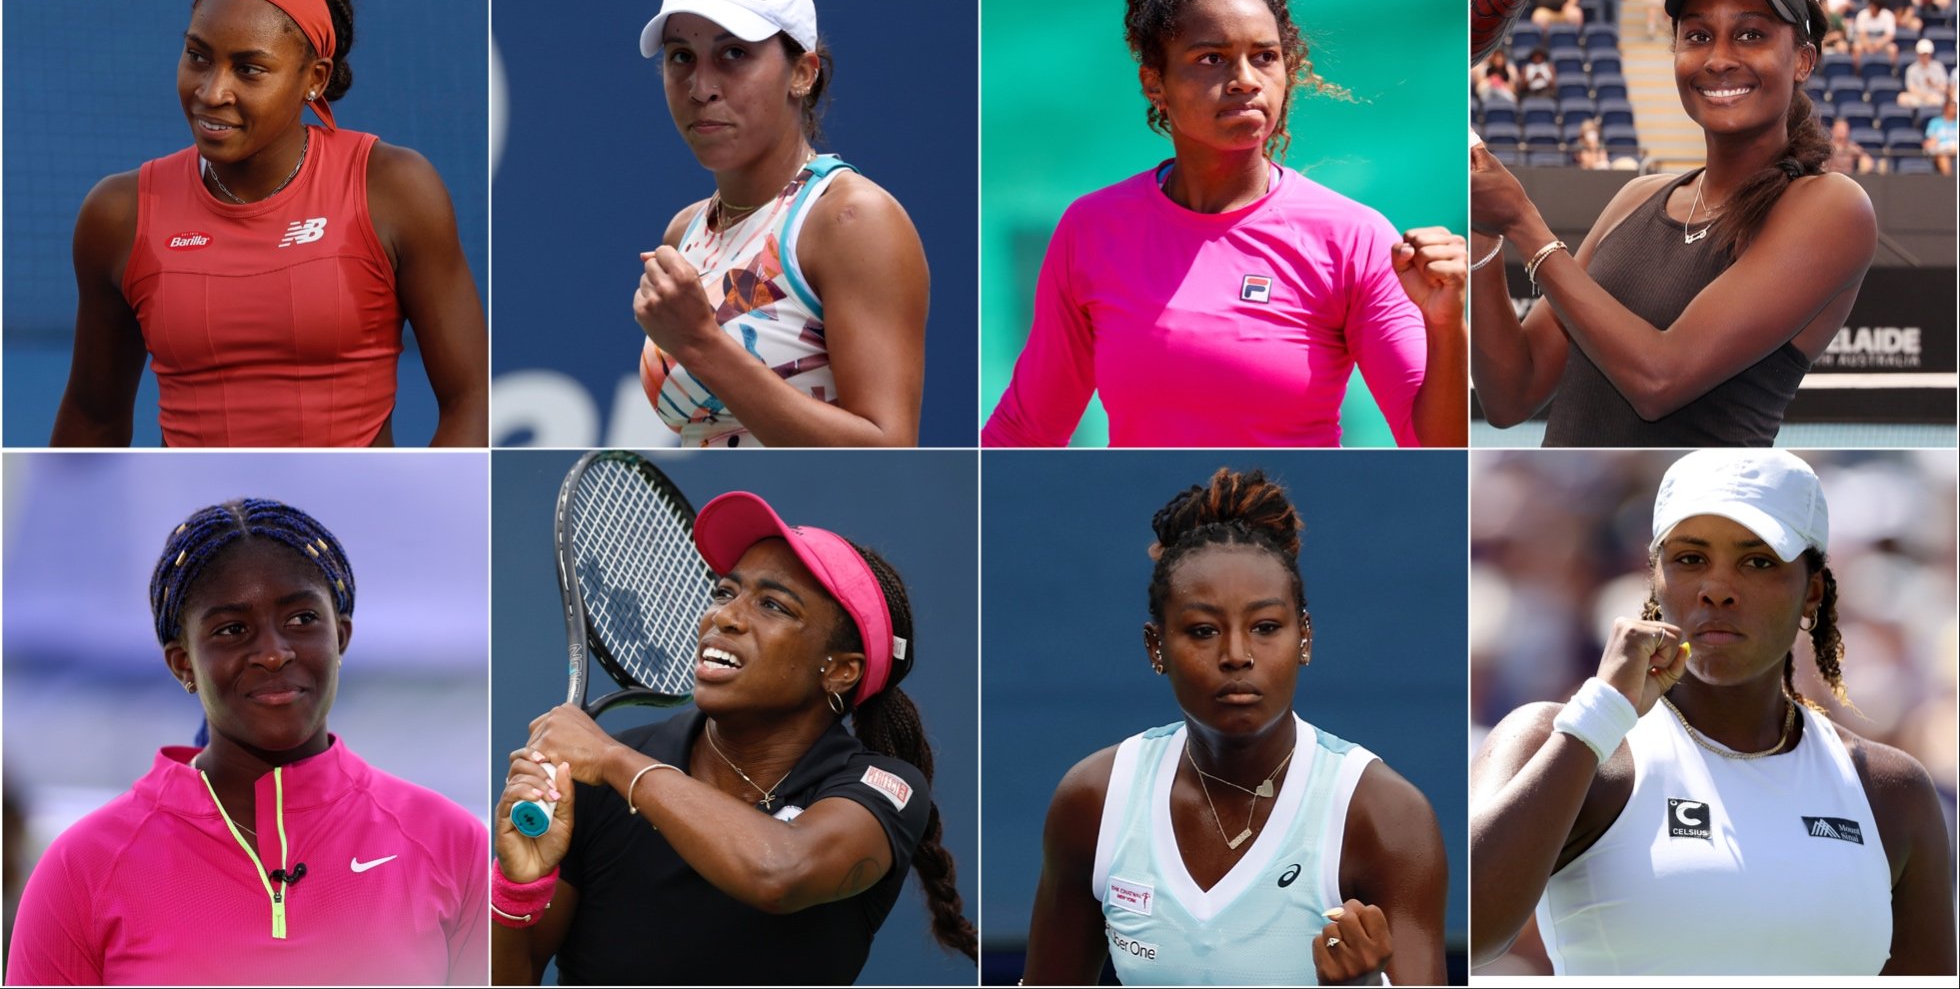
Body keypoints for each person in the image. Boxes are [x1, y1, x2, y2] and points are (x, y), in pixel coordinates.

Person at [1470, 450, 1956, 975]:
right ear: (1654, 578)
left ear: (1812, 591)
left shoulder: (1890, 790)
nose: (1717, 589)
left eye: (1758, 561)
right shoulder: (1555, 738)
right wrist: (1599, 716)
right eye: (1690, 559)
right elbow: (1465, 930)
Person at [983, 0, 1468, 448]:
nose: (1246, 80)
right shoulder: (1091, 228)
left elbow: (1436, 448)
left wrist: (1446, 324)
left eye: (1265, 56)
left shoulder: (1357, 237)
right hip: (1155, 518)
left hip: (1290, 519)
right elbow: (1027, 431)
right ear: (1155, 83)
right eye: (1211, 58)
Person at [491, 491, 975, 984]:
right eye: (724, 592)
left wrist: (615, 761)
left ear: (840, 671)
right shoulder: (594, 783)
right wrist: (516, 890)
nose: (723, 617)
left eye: (772, 605)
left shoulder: (882, 787)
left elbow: (779, 873)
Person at [4, 499, 489, 984]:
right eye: (232, 630)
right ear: (183, 664)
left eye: (301, 619)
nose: (274, 654)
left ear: (340, 637)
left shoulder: (450, 841)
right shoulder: (82, 867)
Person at [1021, 468, 1448, 985]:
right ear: (1156, 648)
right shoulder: (1094, 799)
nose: (1237, 655)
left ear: (1305, 637)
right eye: (1203, 631)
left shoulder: (1385, 817)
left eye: (1266, 627)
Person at [51, 0, 488, 448]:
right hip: (201, 524)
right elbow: (93, 419)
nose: (212, 92)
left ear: (315, 79)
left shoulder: (395, 188)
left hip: (358, 519)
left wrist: (421, 514)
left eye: (249, 69)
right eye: (198, 56)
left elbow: (471, 399)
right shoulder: (117, 214)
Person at [1470, 0, 1875, 446]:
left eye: (1751, 34)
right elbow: (1511, 395)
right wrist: (1486, 233)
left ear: (1803, 61)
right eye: (1698, 36)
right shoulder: (1635, 196)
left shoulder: (1832, 206)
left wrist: (1522, 221)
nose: (1719, 58)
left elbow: (1659, 381)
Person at [632, 0, 927, 448]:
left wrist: (702, 343)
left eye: (734, 54)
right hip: (727, 517)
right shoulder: (684, 233)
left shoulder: (851, 220)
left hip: (814, 515)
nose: (702, 88)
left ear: (802, 73)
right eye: (682, 56)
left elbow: (889, 449)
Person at [1899, 39, 1951, 107]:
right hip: (1918, 97)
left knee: (1937, 100)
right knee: (1902, 98)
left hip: (1935, 97)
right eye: (1922, 54)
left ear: (1930, 54)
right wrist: (1925, 96)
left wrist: (1932, 84)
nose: (1924, 57)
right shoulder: (1911, 69)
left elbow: (1944, 88)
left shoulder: (1938, 67)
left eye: (1926, 54)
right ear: (1917, 54)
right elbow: (1911, 88)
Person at [1925, 96, 1958, 176]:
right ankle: (1949, 182)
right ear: (1946, 108)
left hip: (1956, 148)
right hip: (1942, 149)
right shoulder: (1935, 122)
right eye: (1953, 107)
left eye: (1956, 107)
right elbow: (1931, 141)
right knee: (1943, 157)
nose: (1955, 110)